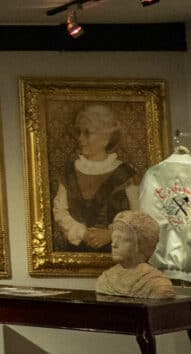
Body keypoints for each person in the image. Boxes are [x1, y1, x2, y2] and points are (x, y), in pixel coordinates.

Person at [52, 104, 142, 253]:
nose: (80, 139)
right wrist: (83, 233)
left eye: (87, 133)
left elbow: (138, 214)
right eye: (80, 132)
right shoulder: (69, 172)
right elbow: (60, 212)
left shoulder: (126, 174)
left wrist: (111, 234)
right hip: (76, 255)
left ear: (105, 138)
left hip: (117, 254)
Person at [95, 210, 176, 298]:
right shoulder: (105, 280)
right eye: (113, 238)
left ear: (141, 244)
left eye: (122, 239)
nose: (114, 244)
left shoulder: (158, 285)